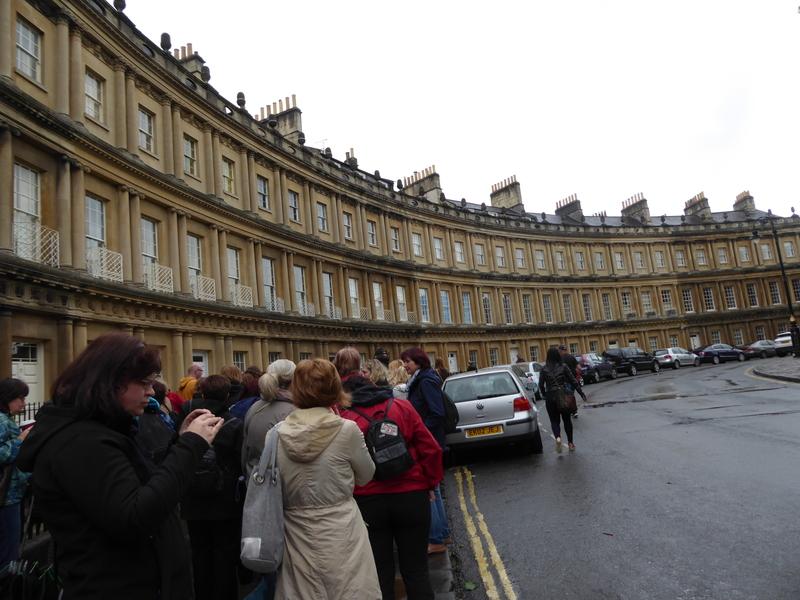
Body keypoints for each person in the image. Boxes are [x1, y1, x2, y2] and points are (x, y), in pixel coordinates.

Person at [16, 333, 223, 599]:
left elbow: (141, 487)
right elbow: (135, 516)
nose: (151, 392)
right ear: (110, 382)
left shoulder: (104, 429)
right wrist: (191, 446)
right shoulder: (80, 442)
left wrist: (179, 443)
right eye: (145, 383)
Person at [275, 359, 380, 599]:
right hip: (342, 526)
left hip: (295, 529)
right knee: (350, 589)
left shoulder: (277, 433)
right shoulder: (347, 430)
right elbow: (366, 476)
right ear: (334, 388)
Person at [340, 360, 443, 600]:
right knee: (417, 571)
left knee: (379, 573)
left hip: (368, 502)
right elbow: (432, 449)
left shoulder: (345, 418)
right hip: (411, 495)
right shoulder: (401, 407)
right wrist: (429, 484)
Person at [181, 374, 245, 600]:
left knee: (199, 554)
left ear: (203, 393)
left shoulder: (188, 420)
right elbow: (241, 462)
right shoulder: (234, 423)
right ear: (227, 395)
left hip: (193, 499)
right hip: (224, 501)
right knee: (224, 555)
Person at [400, 347, 450, 554]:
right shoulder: (422, 379)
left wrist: (419, 432)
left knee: (429, 490)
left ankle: (436, 539)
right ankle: (442, 534)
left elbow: (437, 412)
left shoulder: (426, 381)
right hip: (429, 440)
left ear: (418, 362)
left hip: (427, 442)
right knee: (434, 489)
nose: (404, 365)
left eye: (407, 362)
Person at [241, 359, 296, 476]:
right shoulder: (295, 411)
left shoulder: (254, 407)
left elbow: (245, 451)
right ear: (294, 380)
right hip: (280, 485)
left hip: (254, 481)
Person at [0, 378, 32, 576]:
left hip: (11, 494)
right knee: (8, 549)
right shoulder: (2, 421)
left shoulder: (6, 419)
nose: (23, 404)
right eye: (20, 398)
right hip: (6, 496)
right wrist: (20, 440)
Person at [539, 347, 587, 452]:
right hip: (562, 396)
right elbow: (573, 381)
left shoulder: (544, 369)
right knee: (567, 420)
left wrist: (544, 395)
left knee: (554, 421)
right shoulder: (563, 366)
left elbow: (541, 385)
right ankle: (570, 443)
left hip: (550, 397)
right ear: (557, 355)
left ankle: (558, 438)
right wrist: (581, 393)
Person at [559, 345, 581, 417]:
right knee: (571, 395)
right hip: (573, 380)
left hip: (564, 381)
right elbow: (579, 367)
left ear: (561, 350)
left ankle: (572, 411)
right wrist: (577, 375)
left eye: (559, 351)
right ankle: (573, 411)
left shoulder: (559, 359)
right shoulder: (571, 357)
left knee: (567, 396)